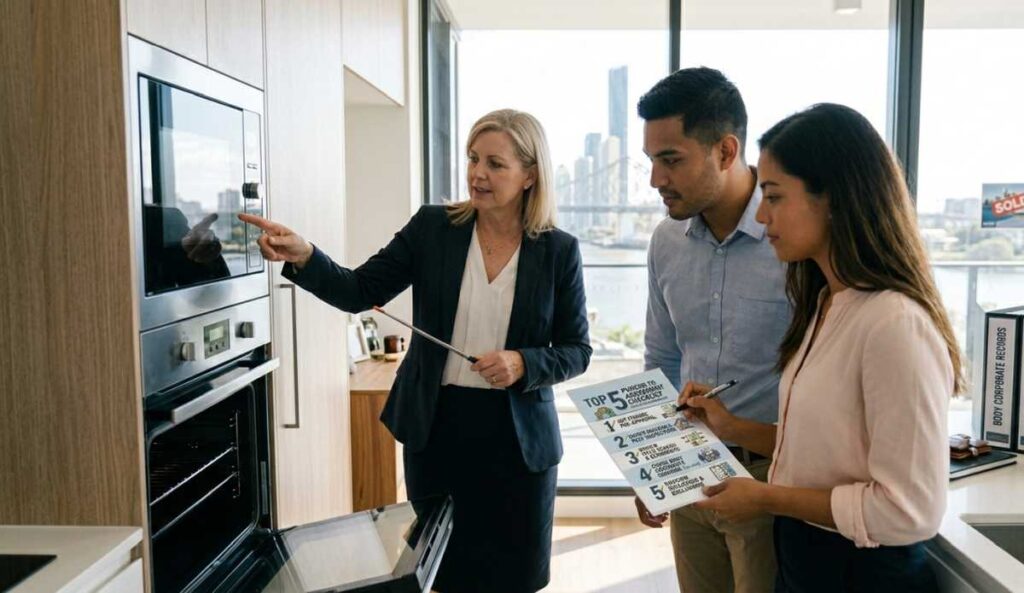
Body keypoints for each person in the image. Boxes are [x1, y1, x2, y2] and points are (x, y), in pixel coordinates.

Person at [239, 109, 592, 593]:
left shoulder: (559, 251)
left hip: (519, 445)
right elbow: (359, 289)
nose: (477, 174)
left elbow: (577, 350)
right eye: (472, 159)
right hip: (438, 427)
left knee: (514, 578)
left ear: (530, 174)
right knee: (438, 573)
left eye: (495, 163)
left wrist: (522, 362)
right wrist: (305, 256)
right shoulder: (434, 227)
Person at [683, 103, 963, 593]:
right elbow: (824, 452)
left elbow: (908, 512)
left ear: (834, 199)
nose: (763, 215)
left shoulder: (894, 325)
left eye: (774, 196)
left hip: (862, 574)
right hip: (810, 560)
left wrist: (766, 498)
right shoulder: (825, 303)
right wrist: (731, 426)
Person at [636, 67, 789, 593]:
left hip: (775, 478)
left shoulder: (791, 241)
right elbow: (661, 358)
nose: (656, 179)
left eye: (670, 159)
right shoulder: (666, 242)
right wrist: (654, 465)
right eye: (652, 160)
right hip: (690, 469)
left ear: (725, 151)